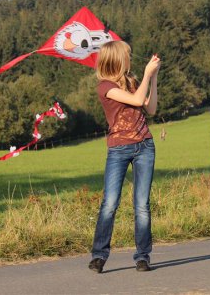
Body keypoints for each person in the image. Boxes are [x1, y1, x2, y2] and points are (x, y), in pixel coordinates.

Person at [89, 41, 161, 274]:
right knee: (110, 203)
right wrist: (148, 73)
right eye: (127, 55)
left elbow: (149, 109)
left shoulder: (131, 82)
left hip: (145, 146)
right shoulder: (105, 87)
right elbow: (138, 101)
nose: (131, 58)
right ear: (118, 59)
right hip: (119, 148)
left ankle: (142, 257)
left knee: (142, 205)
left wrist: (153, 78)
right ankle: (99, 255)